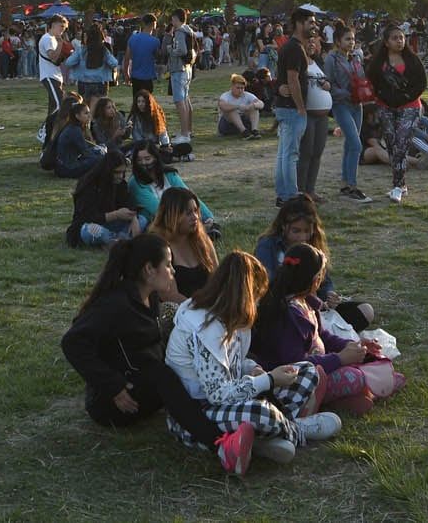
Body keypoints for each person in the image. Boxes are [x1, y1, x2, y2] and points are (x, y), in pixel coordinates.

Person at [59, 234, 256, 475]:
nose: (173, 271)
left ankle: (241, 420)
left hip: (143, 383)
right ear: (149, 269)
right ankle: (221, 445)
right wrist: (113, 386)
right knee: (163, 374)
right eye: (168, 265)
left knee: (179, 354)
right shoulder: (115, 305)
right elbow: (72, 342)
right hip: (113, 404)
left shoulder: (149, 297)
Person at [163, 252, 339, 466]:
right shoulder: (202, 328)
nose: (257, 303)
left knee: (307, 372)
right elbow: (218, 394)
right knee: (260, 412)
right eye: (256, 296)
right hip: (202, 413)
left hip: (231, 400)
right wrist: (269, 380)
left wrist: (252, 368)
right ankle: (295, 429)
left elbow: (232, 362)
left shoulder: (228, 316)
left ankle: (258, 439)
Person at [250, 244, 401, 418]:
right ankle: (326, 399)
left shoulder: (307, 303)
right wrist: (339, 359)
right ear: (315, 280)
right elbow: (296, 365)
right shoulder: (289, 316)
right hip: (293, 383)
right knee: (354, 377)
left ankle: (338, 399)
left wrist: (355, 346)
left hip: (319, 367)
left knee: (362, 364)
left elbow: (324, 337)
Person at [252, 195, 374, 328]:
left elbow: (325, 281)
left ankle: (323, 334)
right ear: (283, 226)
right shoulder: (268, 246)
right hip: (284, 310)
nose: (302, 237)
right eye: (296, 231)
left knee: (366, 311)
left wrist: (329, 295)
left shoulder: (313, 246)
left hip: (316, 309)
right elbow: (267, 287)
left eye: (306, 231)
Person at [365, 25, 428, 204]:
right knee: (392, 145)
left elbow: (421, 83)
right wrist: (384, 97)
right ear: (386, 42)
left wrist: (406, 96)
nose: (399, 41)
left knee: (402, 142)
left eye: (401, 38)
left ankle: (397, 186)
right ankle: (401, 182)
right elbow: (372, 83)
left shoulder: (413, 60)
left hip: (410, 105)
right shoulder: (378, 64)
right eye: (395, 38)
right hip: (385, 106)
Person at [272, 8, 315, 207]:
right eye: (310, 22)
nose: (314, 26)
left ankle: (284, 193)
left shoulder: (292, 47)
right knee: (290, 153)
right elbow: (292, 79)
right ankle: (289, 195)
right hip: (291, 109)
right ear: (299, 23)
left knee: (284, 153)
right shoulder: (294, 48)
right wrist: (301, 107)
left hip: (286, 107)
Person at [324, 24, 370, 203]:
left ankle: (345, 184)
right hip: (340, 104)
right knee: (356, 144)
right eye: (347, 39)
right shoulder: (331, 59)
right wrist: (345, 93)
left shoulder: (356, 56)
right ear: (337, 41)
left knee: (350, 145)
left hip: (357, 104)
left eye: (353, 39)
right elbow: (328, 83)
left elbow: (361, 77)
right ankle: (352, 185)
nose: (351, 42)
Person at [126, 141, 217, 232]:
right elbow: (157, 210)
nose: (143, 163)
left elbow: (188, 196)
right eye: (139, 160)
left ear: (156, 158)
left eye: (147, 159)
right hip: (156, 221)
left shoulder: (169, 175)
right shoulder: (135, 183)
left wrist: (208, 217)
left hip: (181, 215)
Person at [147, 188, 218, 299]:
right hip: (179, 311)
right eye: (188, 213)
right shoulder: (159, 246)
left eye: (196, 211)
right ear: (172, 216)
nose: (196, 217)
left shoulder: (202, 241)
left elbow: (217, 278)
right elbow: (169, 295)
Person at [66, 149, 139, 247]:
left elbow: (129, 203)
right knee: (89, 231)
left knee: (141, 220)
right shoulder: (89, 185)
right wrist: (115, 215)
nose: (120, 176)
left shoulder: (120, 184)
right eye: (116, 172)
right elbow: (86, 217)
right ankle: (117, 241)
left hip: (113, 224)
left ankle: (118, 240)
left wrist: (133, 217)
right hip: (91, 224)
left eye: (122, 172)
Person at [297, 37, 333, 205]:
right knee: (306, 152)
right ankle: (301, 190)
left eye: (314, 42)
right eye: (308, 41)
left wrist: (327, 84)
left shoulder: (317, 62)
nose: (311, 44)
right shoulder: (299, 63)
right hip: (308, 113)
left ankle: (311, 189)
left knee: (317, 153)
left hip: (323, 116)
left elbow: (327, 80)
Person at [63, 23, 119, 103]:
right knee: (100, 108)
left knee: (85, 109)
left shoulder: (81, 50)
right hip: (100, 82)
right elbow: (114, 63)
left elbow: (69, 62)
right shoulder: (103, 50)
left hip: (84, 82)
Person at [54, 102, 107, 180]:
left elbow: (86, 144)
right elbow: (86, 152)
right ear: (77, 116)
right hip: (66, 168)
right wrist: (104, 156)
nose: (89, 116)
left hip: (65, 165)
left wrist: (100, 148)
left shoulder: (73, 127)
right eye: (86, 113)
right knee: (99, 158)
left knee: (101, 148)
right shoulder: (74, 130)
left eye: (89, 113)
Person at [166, 9, 196, 142]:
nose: (171, 22)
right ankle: (188, 129)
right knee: (186, 99)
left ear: (176, 18)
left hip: (178, 69)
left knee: (180, 101)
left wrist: (170, 49)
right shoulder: (189, 30)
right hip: (187, 68)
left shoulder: (179, 32)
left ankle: (184, 134)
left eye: (172, 19)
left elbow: (181, 50)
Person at [37, 16, 68, 140]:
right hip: (49, 76)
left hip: (54, 76)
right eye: (61, 27)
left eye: (64, 28)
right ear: (54, 25)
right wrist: (61, 43)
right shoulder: (48, 39)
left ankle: (49, 133)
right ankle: (44, 130)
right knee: (60, 105)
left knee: (53, 107)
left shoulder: (51, 39)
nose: (62, 30)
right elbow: (53, 57)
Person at [123, 14, 161, 100]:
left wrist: (126, 74)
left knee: (136, 100)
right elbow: (158, 57)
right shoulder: (155, 41)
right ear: (153, 24)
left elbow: (126, 58)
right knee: (147, 102)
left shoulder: (132, 38)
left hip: (135, 76)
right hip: (148, 76)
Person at [215, 74, 263, 138]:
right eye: (238, 88)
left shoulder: (247, 95)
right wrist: (238, 106)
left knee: (254, 108)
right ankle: (244, 132)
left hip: (244, 122)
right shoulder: (225, 96)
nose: (240, 90)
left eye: (242, 88)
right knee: (231, 110)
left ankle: (254, 130)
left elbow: (261, 104)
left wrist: (252, 105)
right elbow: (222, 106)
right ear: (232, 86)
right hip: (227, 125)